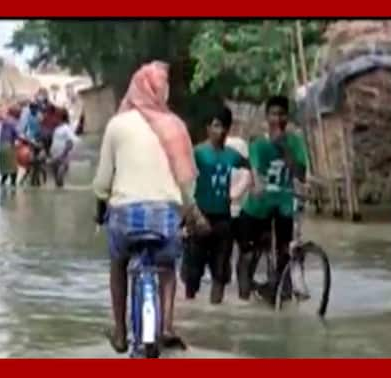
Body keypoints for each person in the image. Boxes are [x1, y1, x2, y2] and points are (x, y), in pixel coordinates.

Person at [93, 61, 196, 353]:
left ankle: (120, 332)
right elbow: (187, 180)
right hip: (166, 217)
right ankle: (166, 326)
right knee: (167, 266)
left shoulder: (117, 124)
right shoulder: (175, 126)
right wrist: (188, 212)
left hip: (124, 217)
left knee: (117, 263)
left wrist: (101, 204)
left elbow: (102, 181)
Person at [234, 95, 308, 301]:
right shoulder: (258, 143)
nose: (278, 118)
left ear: (287, 117)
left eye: (282, 114)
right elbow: (256, 171)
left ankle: (281, 292)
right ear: (267, 117)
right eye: (273, 114)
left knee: (284, 252)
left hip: (283, 206)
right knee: (248, 255)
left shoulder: (295, 142)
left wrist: (286, 150)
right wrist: (257, 185)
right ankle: (244, 298)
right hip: (258, 206)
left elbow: (301, 174)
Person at [181, 106, 249, 304]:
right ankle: (191, 309)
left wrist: (242, 190)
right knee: (192, 275)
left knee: (220, 273)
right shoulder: (198, 153)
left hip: (223, 219)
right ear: (208, 128)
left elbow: (250, 167)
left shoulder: (232, 155)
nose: (220, 131)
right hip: (199, 217)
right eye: (216, 126)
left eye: (224, 127)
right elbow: (182, 179)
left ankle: (215, 308)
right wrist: (188, 215)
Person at [49, 108, 78, 188]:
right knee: (56, 181)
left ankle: (61, 195)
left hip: (63, 157)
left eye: (56, 116)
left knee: (59, 178)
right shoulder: (56, 128)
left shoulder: (66, 128)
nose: (54, 118)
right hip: (54, 156)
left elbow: (71, 142)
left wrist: (64, 154)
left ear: (60, 117)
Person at [0, 105, 22, 187]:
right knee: (14, 171)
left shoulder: (6, 121)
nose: (20, 114)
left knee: (5, 173)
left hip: (1, 147)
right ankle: (13, 190)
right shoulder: (14, 122)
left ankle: (3, 192)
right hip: (8, 147)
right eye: (19, 113)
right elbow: (19, 135)